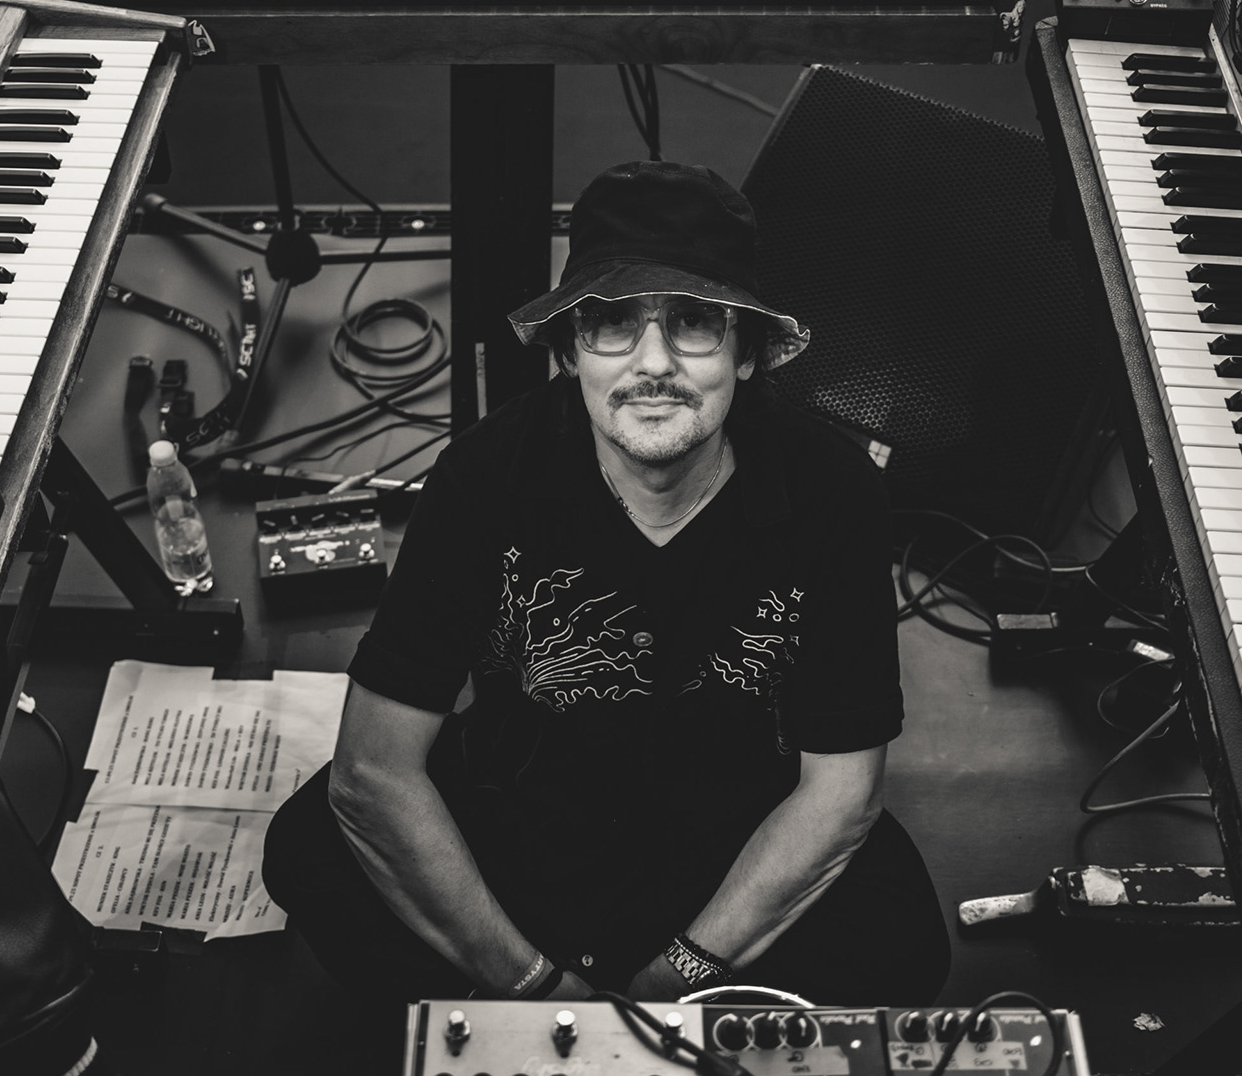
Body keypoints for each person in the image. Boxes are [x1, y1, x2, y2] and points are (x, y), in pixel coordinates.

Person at [263, 160, 949, 1013]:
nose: (653, 363)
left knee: (900, 943)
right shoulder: (482, 475)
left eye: (695, 323)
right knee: (312, 850)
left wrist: (675, 979)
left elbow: (841, 794)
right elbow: (372, 773)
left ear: (746, 352)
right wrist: (531, 985)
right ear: (567, 352)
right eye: (613, 323)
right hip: (526, 813)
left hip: (735, 828)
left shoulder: (834, 491)